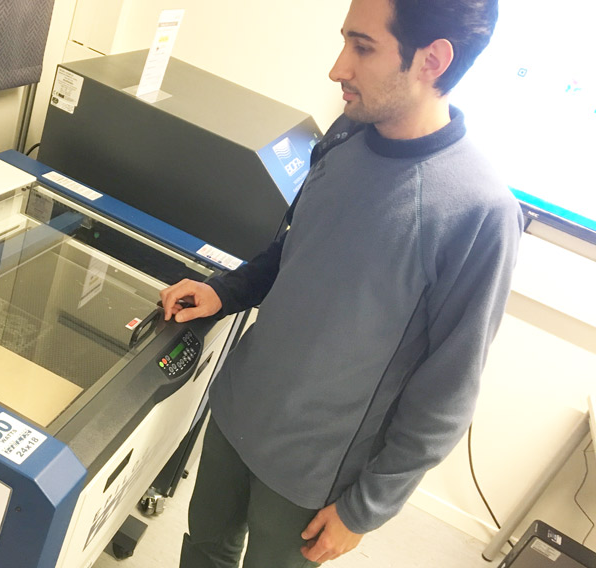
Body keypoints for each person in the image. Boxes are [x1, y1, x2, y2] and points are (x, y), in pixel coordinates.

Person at [160, 0, 524, 566]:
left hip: (314, 469)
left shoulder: (480, 213)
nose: (337, 69)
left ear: (432, 60)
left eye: (363, 47)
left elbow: (449, 389)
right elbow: (297, 248)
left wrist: (366, 508)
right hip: (238, 408)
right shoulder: (346, 133)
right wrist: (224, 292)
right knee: (204, 546)